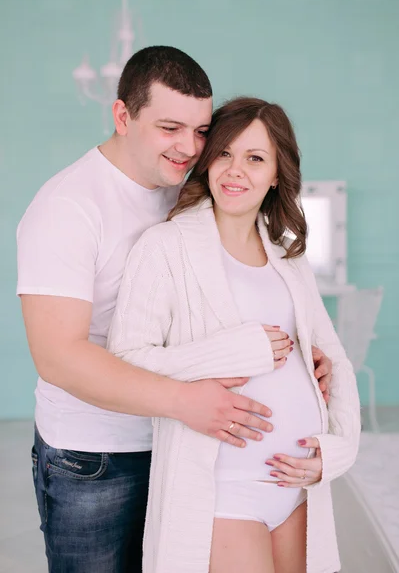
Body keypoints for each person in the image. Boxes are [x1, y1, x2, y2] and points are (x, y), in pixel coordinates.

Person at [17, 46, 332, 573]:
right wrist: (183, 401)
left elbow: (227, 298)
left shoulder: (189, 188)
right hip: (98, 457)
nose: (189, 147)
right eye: (169, 128)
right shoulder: (67, 209)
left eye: (201, 130)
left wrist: (305, 360)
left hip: (188, 449)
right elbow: (58, 358)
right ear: (123, 116)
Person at [107, 96, 361, 573]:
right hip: (224, 490)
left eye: (255, 158)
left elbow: (337, 362)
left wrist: (339, 451)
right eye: (223, 152)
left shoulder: (289, 258)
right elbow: (125, 361)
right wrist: (231, 352)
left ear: (277, 174)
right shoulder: (167, 247)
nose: (234, 170)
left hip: (299, 488)